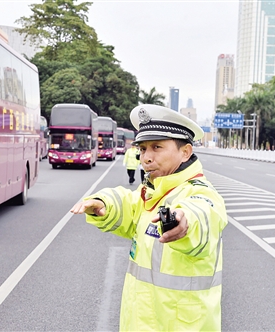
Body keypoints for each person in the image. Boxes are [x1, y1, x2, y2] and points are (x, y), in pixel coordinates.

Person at [70, 104, 228, 331]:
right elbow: (129, 204)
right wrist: (103, 203)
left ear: (185, 152)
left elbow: (203, 213)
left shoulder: (200, 191)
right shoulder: (154, 193)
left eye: (157, 147)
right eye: (143, 149)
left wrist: (184, 222)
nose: (146, 158)